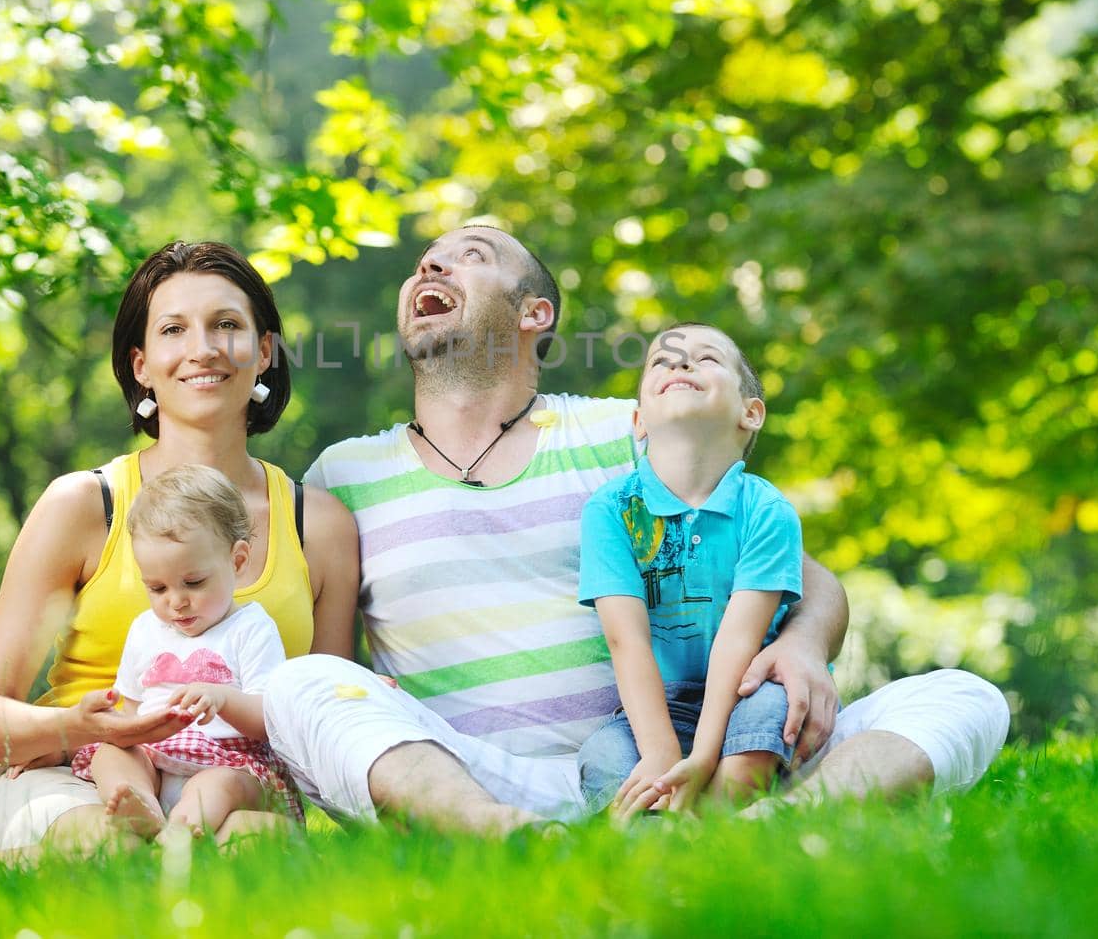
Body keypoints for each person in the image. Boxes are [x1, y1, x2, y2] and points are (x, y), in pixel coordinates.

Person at [263, 224, 1010, 832]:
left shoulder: (625, 433)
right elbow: (346, 676)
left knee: (963, 697)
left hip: (678, 759)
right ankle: (505, 835)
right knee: (303, 685)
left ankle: (772, 827)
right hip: (485, 776)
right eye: (430, 260)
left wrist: (805, 645)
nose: (434, 263)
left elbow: (803, 578)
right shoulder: (343, 474)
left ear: (534, 314)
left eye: (473, 255)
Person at [0, 240, 358, 852]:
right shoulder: (84, 506)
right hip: (84, 773)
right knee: (109, 847)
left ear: (265, 351)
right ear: (141, 364)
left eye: (227, 324)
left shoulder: (317, 524)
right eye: (174, 329)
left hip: (237, 782)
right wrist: (73, 727)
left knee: (255, 853)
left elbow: (326, 724)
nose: (203, 348)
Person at [577, 322, 802, 819]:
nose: (680, 364)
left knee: (768, 720)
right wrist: (661, 753)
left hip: (748, 688)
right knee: (604, 759)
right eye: (662, 361)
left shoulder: (768, 510)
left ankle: (712, 821)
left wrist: (702, 756)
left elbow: (738, 641)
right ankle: (662, 834)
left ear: (751, 412)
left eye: (706, 359)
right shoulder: (612, 510)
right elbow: (626, 641)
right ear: (639, 420)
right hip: (663, 705)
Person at [70, 463, 302, 841]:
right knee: (111, 753)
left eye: (193, 582)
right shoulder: (146, 629)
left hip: (231, 760)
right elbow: (129, 711)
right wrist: (119, 730)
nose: (176, 602)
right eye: (157, 588)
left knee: (217, 784)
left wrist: (222, 699)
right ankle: (139, 804)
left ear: (237, 561)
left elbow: (270, 720)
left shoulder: (251, 629)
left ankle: (184, 827)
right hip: (156, 756)